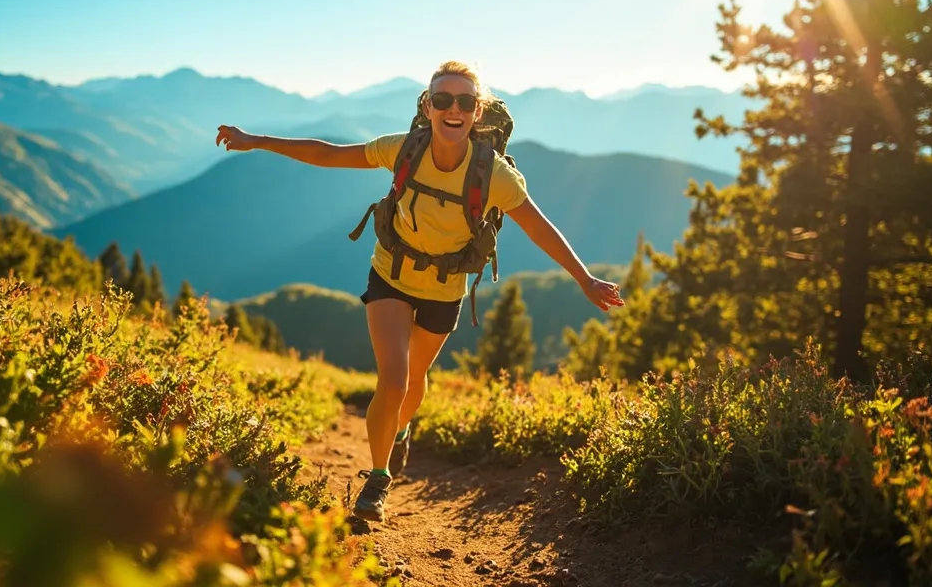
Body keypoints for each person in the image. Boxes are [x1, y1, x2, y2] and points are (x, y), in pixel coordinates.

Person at [214, 60, 625, 522]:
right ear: (428, 106)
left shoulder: (494, 175)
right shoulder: (403, 149)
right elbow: (329, 153)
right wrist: (257, 141)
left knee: (412, 383)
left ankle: (401, 428)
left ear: (477, 111)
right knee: (393, 379)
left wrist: (585, 279)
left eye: (465, 102)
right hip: (390, 275)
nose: (454, 109)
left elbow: (539, 227)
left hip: (445, 290)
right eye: (443, 100)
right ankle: (378, 477)